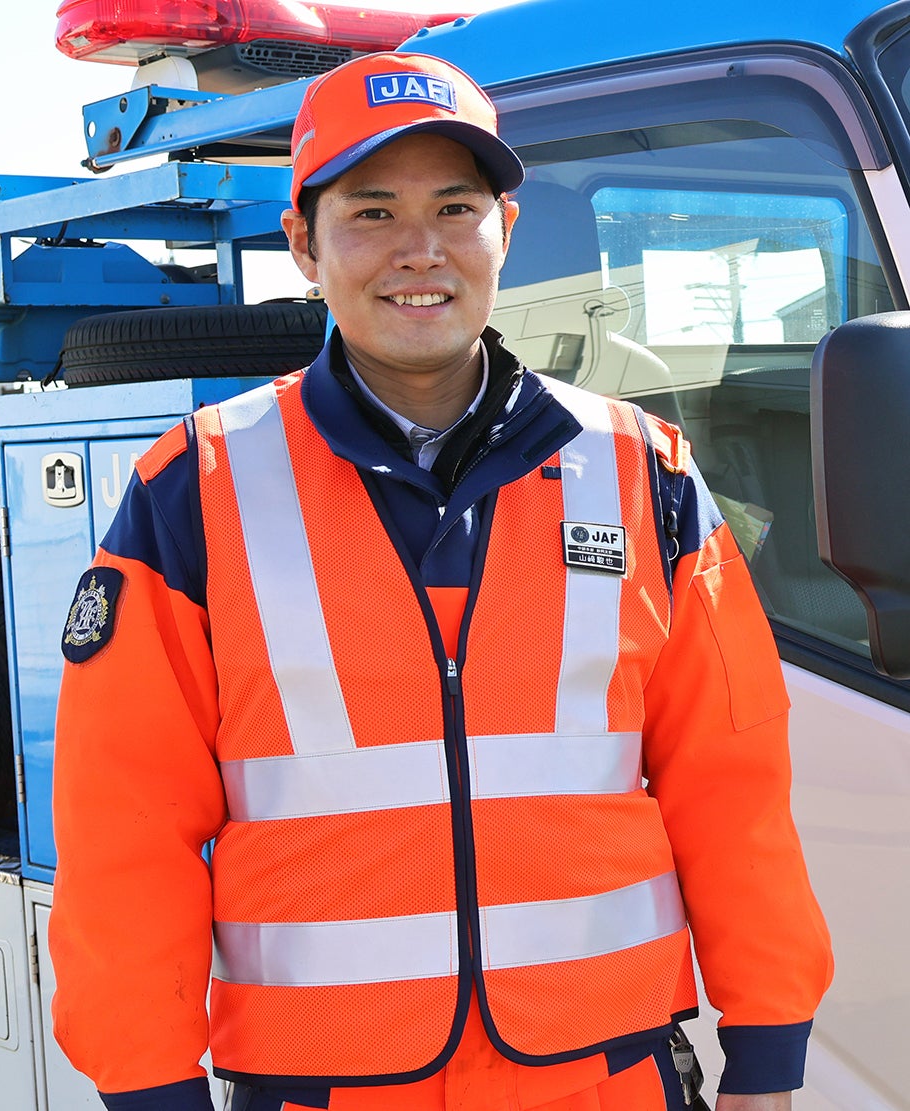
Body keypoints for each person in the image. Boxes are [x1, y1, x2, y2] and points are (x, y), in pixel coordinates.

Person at [49, 50, 833, 1111]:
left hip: (605, 1078)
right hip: (325, 1087)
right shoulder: (195, 489)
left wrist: (769, 1048)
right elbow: (121, 827)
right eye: (370, 212)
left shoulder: (642, 473)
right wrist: (148, 1084)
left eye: (456, 207)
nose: (420, 250)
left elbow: (730, 786)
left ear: (504, 229)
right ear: (302, 246)